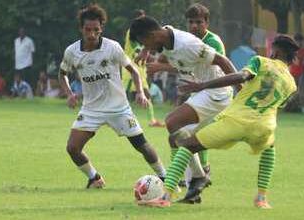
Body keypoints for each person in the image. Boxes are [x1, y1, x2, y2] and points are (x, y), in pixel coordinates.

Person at [140, 35, 298, 209]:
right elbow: (276, 106)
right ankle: (261, 199)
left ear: (275, 51)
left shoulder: (261, 62)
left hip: (236, 121)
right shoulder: (292, 84)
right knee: (269, 149)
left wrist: (203, 85)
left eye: (271, 50)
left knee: (186, 145)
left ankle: (166, 196)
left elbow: (241, 76)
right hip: (264, 126)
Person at [130, 14, 236, 202]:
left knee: (172, 122)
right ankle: (193, 191)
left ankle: (198, 177)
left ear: (152, 35)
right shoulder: (164, 35)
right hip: (201, 92)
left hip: (216, 92)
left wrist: (242, 92)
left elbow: (223, 61)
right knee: (176, 140)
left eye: (144, 42)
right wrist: (146, 49)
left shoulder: (188, 44)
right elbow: (165, 52)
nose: (149, 49)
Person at [58, 4, 166, 189]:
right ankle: (94, 178)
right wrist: (69, 94)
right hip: (91, 109)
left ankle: (165, 177)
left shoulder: (112, 47)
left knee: (142, 145)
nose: (91, 34)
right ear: (81, 29)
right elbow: (62, 73)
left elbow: (134, 71)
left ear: (102, 29)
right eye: (87, 30)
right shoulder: (72, 51)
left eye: (96, 30)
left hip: (119, 108)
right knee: (72, 148)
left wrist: (140, 92)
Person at [122, 9, 164, 127]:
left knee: (146, 93)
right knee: (122, 94)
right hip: (129, 67)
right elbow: (138, 50)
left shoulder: (145, 33)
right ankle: (113, 117)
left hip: (140, 68)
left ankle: (152, 120)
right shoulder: (132, 32)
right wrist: (155, 60)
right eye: (141, 19)